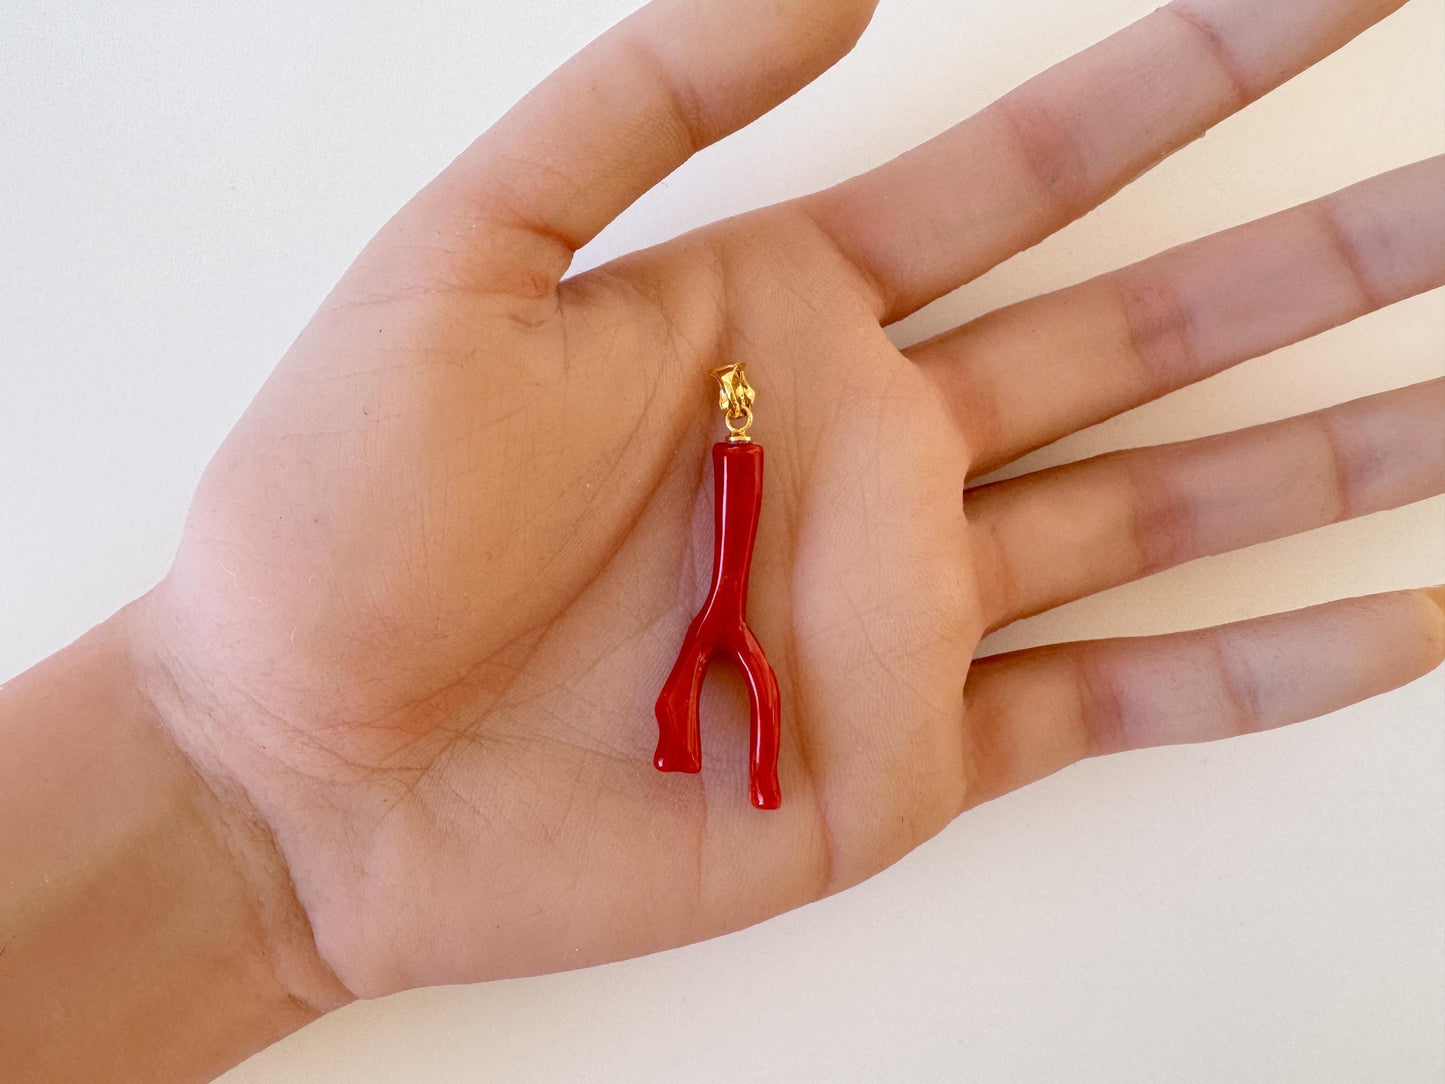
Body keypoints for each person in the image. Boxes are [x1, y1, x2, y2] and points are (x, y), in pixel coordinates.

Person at [2, 0, 1441, 1079]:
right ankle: (710, 744)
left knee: (727, 661)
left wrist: (218, 785)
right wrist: (222, 771)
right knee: (720, 662)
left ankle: (713, 743)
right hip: (682, 631)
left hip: (701, 628)